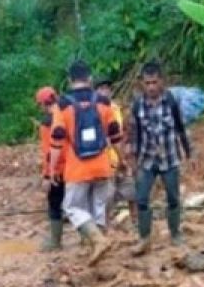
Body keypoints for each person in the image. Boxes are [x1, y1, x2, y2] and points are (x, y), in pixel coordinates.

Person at [48, 60, 122, 265]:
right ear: (89, 78)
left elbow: (57, 139)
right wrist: (122, 160)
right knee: (98, 209)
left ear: (70, 80)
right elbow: (115, 136)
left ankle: (97, 241)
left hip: (77, 169)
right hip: (102, 166)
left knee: (71, 207)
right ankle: (102, 260)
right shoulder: (103, 102)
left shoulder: (63, 106)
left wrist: (53, 168)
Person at [126, 61, 195, 254]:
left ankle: (175, 233)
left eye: (154, 82)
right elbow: (132, 133)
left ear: (162, 81)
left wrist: (190, 154)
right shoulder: (138, 105)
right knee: (141, 199)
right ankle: (144, 237)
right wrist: (131, 157)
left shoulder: (171, 102)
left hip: (170, 158)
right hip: (146, 159)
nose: (151, 87)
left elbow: (182, 129)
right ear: (142, 83)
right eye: (147, 83)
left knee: (173, 198)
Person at [96, 78, 136, 228]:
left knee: (132, 192)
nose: (105, 91)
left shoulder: (115, 108)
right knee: (107, 197)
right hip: (105, 160)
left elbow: (121, 131)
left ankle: (135, 223)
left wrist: (125, 150)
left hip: (120, 157)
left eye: (107, 88)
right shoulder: (94, 111)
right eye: (101, 88)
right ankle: (106, 228)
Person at [35, 86, 66, 251]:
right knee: (77, 205)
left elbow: (49, 152)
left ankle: (55, 241)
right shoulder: (66, 114)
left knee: (55, 205)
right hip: (73, 169)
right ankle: (85, 239)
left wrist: (47, 175)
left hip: (57, 171)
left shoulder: (47, 123)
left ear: (42, 104)